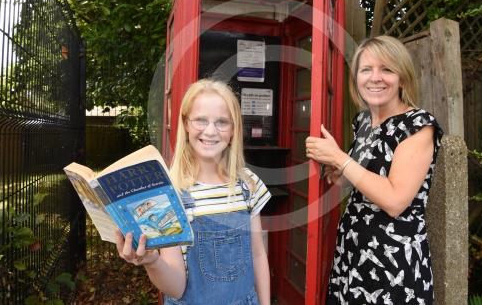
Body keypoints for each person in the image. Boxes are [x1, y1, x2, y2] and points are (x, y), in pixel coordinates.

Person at [305, 35, 443, 305]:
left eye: (387, 69)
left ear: (402, 78)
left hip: (393, 263)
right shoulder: (364, 122)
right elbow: (364, 180)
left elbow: (394, 200)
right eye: (366, 69)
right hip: (353, 252)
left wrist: (342, 159)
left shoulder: (418, 125)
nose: (375, 77)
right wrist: (339, 174)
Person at [115, 79, 271, 305]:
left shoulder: (249, 185)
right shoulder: (171, 193)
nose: (210, 131)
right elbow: (176, 288)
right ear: (186, 124)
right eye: (200, 120)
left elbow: (258, 256)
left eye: (222, 122)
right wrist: (152, 261)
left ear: (233, 130)